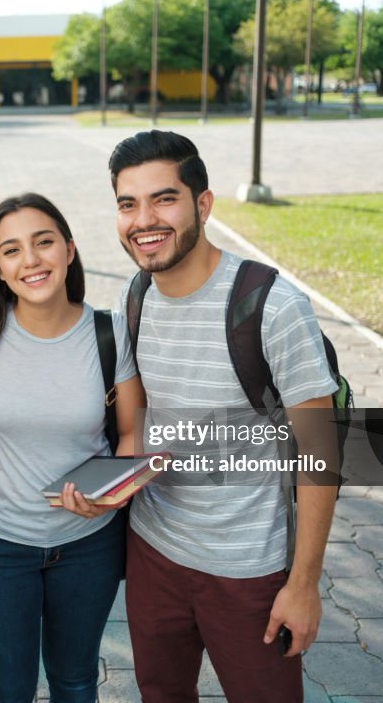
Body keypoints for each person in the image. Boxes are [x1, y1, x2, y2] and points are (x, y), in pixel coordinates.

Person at [103, 131, 339, 703]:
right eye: (127, 204)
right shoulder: (132, 301)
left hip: (248, 569)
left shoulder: (275, 307)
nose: (144, 220)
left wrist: (303, 584)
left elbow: (320, 455)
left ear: (202, 205)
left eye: (164, 199)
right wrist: (106, 488)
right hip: (154, 555)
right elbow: (142, 433)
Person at [0, 193, 145, 703]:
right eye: (11, 250)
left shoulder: (107, 332)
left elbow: (131, 431)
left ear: (70, 250)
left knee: (76, 681)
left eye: (43, 243)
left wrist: (112, 494)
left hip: (89, 543)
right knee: (5, 691)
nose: (31, 260)